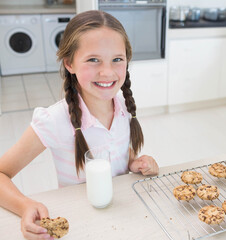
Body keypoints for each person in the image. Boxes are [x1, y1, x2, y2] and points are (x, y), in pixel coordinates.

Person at [0, 10, 159, 240]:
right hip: (82, 227)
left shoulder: (123, 103)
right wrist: (24, 205)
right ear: (69, 63)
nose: (107, 72)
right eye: (93, 59)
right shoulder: (54, 120)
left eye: (117, 59)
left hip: (125, 219)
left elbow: (118, 148)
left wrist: (135, 161)